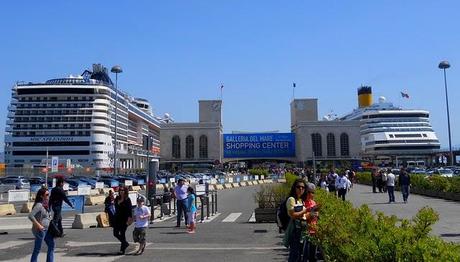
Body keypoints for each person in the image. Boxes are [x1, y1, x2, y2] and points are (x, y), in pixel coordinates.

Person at [284, 178, 315, 262]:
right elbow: (293, 215)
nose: (301, 189)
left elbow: (303, 216)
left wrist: (312, 214)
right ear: (294, 188)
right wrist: (306, 210)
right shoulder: (291, 200)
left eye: (303, 187)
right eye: (298, 187)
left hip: (302, 231)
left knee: (300, 256)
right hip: (295, 232)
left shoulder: (301, 200)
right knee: (295, 256)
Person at [29, 187, 55, 262]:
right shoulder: (39, 205)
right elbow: (30, 216)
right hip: (40, 230)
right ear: (41, 196)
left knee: (51, 245)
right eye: (46, 194)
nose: (48, 196)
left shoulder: (45, 204)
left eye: (48, 194)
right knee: (37, 249)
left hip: (48, 229)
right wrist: (39, 225)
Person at [113, 186, 133, 255]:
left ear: (125, 191)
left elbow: (130, 210)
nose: (121, 191)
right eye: (120, 190)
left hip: (124, 219)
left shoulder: (127, 199)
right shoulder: (117, 198)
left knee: (122, 233)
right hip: (117, 218)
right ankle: (125, 243)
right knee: (115, 233)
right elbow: (115, 206)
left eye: (123, 190)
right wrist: (119, 202)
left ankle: (122, 249)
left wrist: (130, 219)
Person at [303, 183, 319, 262]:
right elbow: (302, 217)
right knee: (305, 253)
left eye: (312, 192)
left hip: (314, 230)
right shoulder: (303, 202)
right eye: (308, 192)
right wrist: (311, 214)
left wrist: (316, 214)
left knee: (313, 253)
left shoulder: (313, 202)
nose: (311, 194)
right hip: (305, 231)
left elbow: (316, 215)